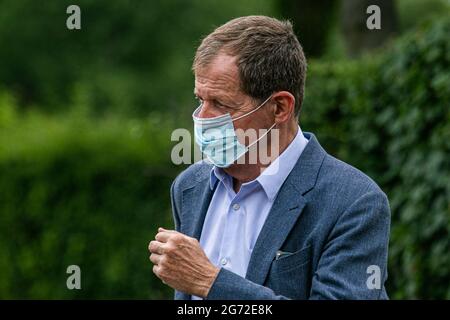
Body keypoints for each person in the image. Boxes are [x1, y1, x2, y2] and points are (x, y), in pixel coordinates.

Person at [148, 15, 390, 300]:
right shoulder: (190, 186)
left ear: (279, 107)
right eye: (201, 99)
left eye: (220, 104)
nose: (201, 118)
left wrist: (210, 282)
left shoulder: (354, 202)